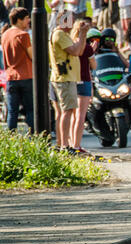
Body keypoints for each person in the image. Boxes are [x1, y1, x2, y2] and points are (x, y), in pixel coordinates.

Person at [49, 11, 89, 152]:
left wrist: (81, 36)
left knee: (63, 112)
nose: (72, 23)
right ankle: (65, 146)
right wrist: (82, 34)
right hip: (64, 79)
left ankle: (62, 144)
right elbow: (75, 51)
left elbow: (80, 50)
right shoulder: (60, 34)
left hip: (65, 78)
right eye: (70, 20)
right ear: (64, 21)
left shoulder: (63, 35)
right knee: (67, 111)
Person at [1, 7, 33, 132]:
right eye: (26, 18)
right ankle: (34, 137)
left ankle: (11, 138)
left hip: (10, 77)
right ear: (19, 20)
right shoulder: (23, 35)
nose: (28, 21)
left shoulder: (5, 34)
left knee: (12, 111)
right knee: (30, 110)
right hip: (26, 75)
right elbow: (32, 55)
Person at [69, 21, 98, 154]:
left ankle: (69, 143)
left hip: (71, 80)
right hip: (84, 80)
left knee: (72, 115)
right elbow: (94, 66)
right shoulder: (87, 47)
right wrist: (93, 49)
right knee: (80, 116)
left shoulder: (70, 45)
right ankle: (76, 145)